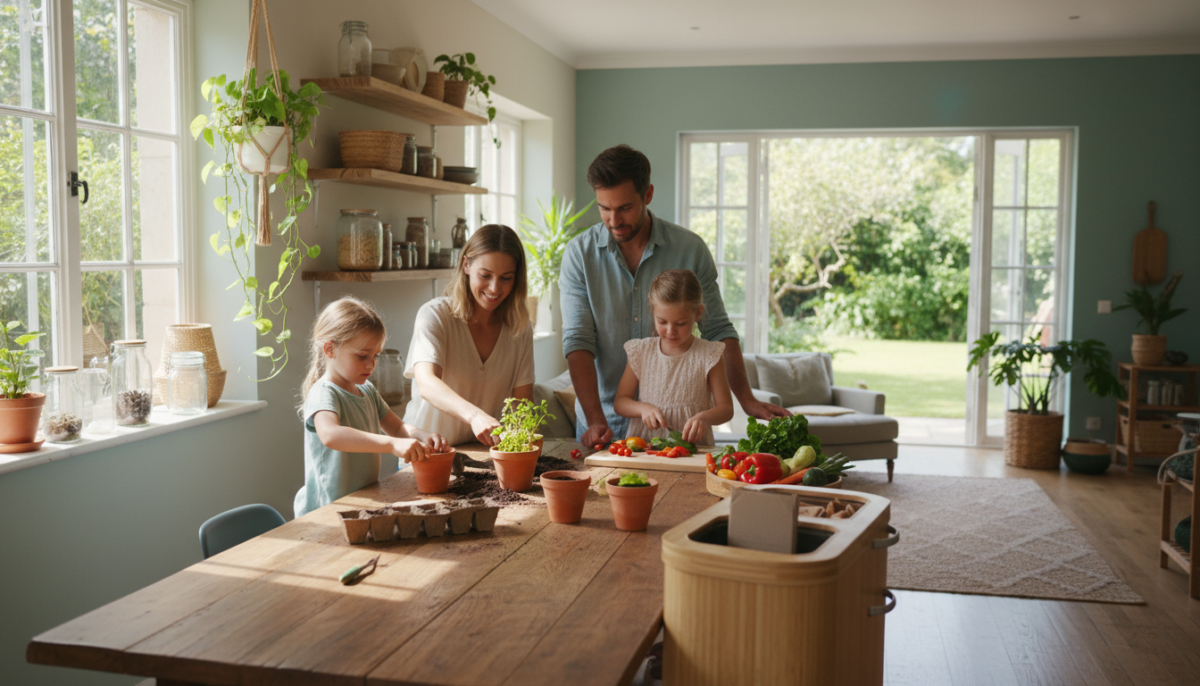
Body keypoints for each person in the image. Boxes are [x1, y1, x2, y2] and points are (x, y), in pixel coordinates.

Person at [561, 144, 789, 447]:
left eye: (625, 208)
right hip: (602, 421)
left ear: (648, 195)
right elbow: (578, 342)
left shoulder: (690, 249)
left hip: (677, 431)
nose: (614, 220)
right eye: (604, 208)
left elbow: (719, 330)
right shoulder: (579, 254)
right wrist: (594, 419)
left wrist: (746, 399)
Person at [295, 296, 447, 518]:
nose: (371, 364)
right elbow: (331, 435)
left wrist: (422, 435)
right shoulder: (324, 392)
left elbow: (397, 428)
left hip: (360, 504)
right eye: (362, 356)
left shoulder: (367, 390)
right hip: (327, 509)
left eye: (375, 356)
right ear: (330, 349)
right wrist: (391, 445)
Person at [403, 224, 535, 446]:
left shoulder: (519, 328)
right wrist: (475, 416)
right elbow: (427, 382)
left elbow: (522, 403)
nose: (494, 288)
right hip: (426, 454)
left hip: (481, 455)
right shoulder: (435, 315)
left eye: (506, 278)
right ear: (466, 265)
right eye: (485, 275)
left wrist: (521, 443)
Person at [614, 269, 734, 446]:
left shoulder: (709, 354)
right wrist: (643, 408)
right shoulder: (641, 351)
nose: (670, 331)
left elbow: (726, 409)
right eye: (662, 322)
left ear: (698, 313)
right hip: (646, 449)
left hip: (693, 450)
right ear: (653, 313)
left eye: (680, 323)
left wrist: (704, 417)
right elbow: (620, 402)